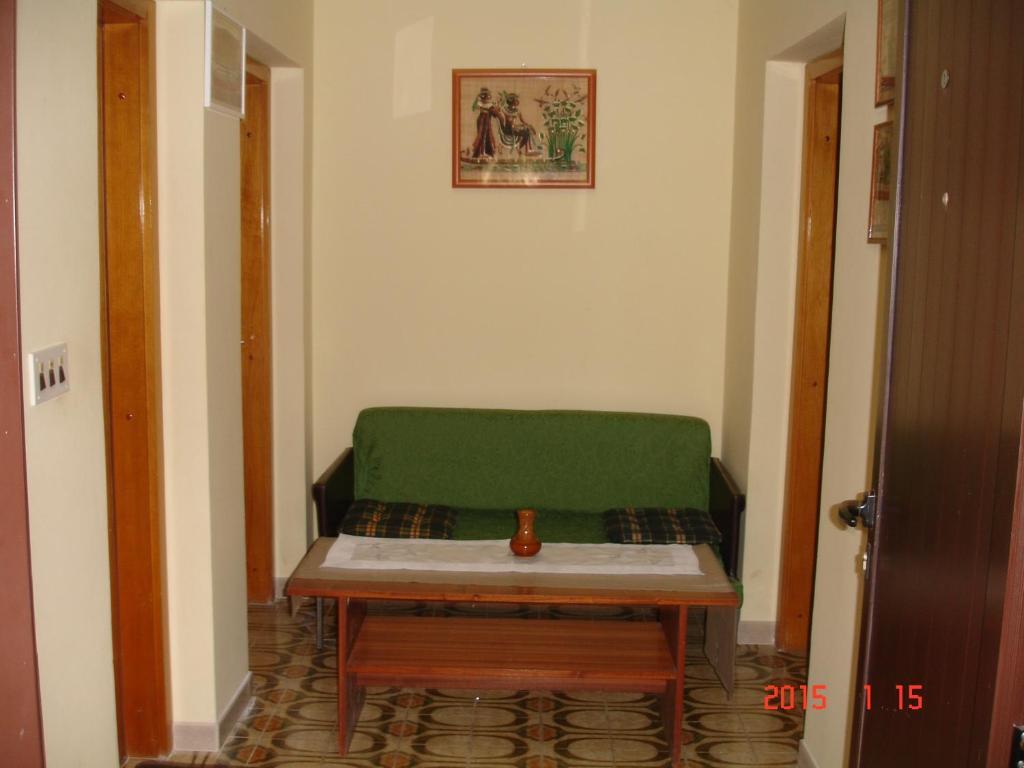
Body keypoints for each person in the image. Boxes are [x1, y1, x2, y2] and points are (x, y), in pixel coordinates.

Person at [469, 87, 499, 160]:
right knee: (482, 136)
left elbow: (494, 114)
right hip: (482, 121)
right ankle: (482, 153)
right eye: (485, 95)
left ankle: (486, 153)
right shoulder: (480, 103)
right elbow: (473, 108)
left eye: (487, 95)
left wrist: (497, 107)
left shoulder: (490, 104)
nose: (487, 97)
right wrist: (476, 100)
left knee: (488, 136)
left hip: (487, 122)